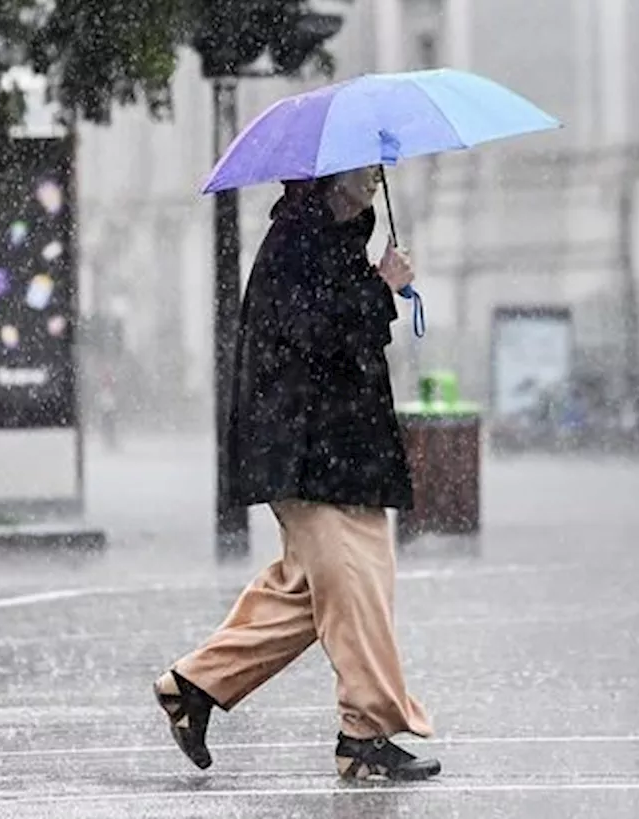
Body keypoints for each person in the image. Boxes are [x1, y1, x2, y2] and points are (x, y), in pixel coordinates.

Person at [152, 166, 440, 782]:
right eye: (364, 169)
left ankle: (194, 687)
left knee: (313, 591)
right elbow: (313, 335)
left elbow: (336, 333)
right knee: (352, 585)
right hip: (308, 453)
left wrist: (373, 284)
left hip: (338, 451)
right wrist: (380, 288)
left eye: (378, 168)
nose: (374, 179)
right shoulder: (296, 242)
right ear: (330, 178)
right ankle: (364, 736)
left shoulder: (335, 240)